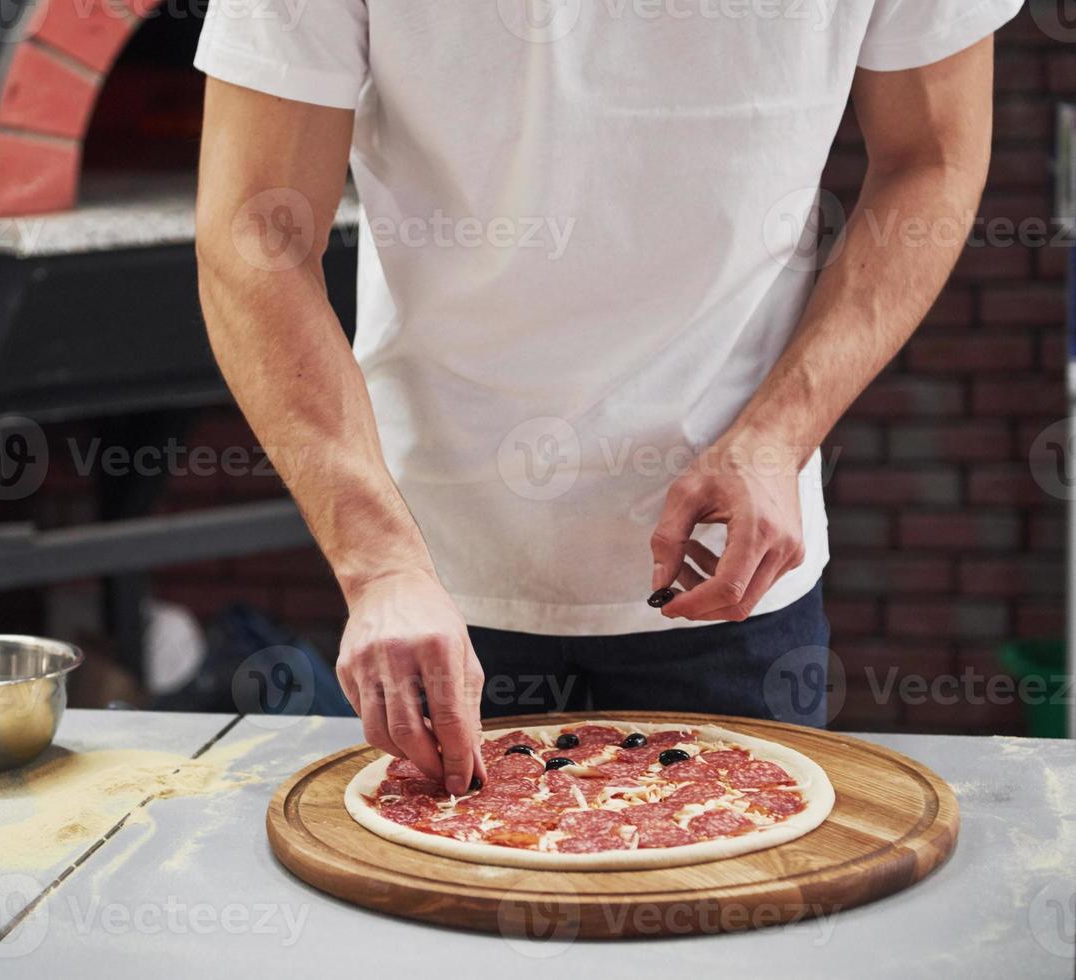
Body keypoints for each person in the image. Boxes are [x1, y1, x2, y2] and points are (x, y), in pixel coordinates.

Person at [192, 2, 1021, 796]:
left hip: (732, 568)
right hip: (431, 578)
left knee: (734, 935)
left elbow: (931, 156)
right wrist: (378, 566)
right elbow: (256, 226)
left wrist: (776, 437)